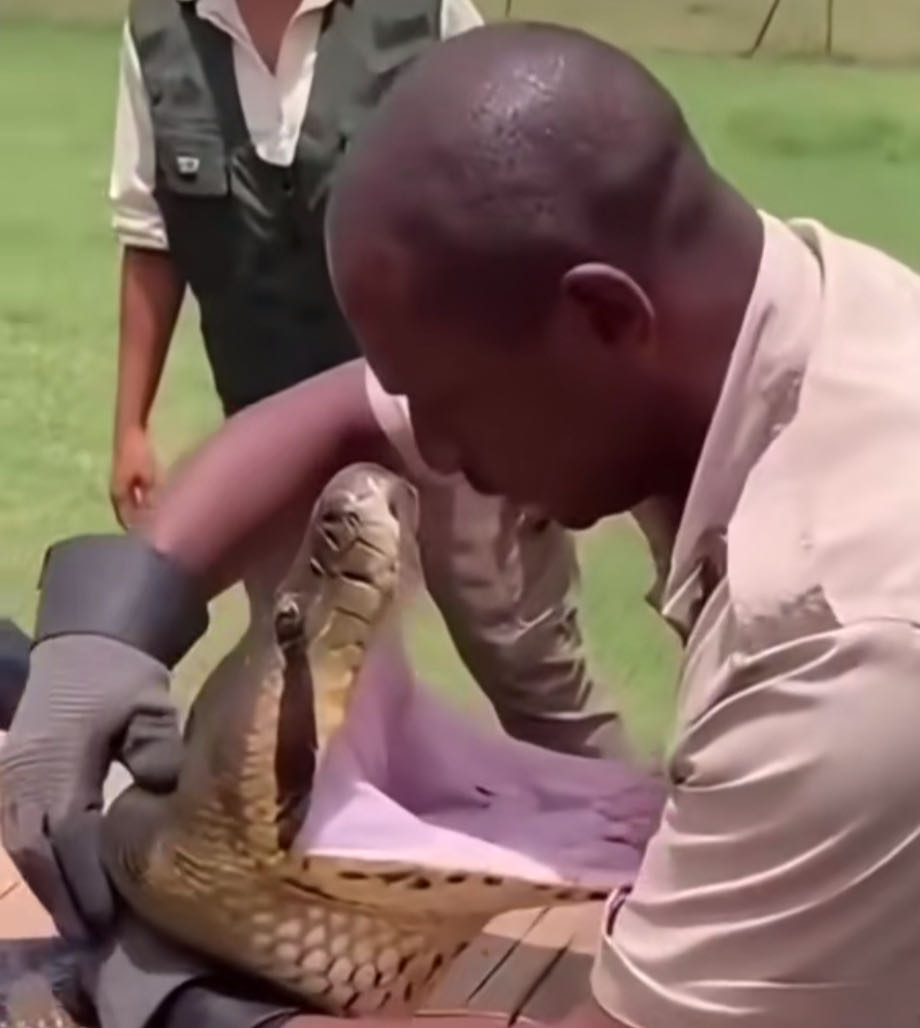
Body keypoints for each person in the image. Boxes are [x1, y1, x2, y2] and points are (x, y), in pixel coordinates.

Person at [5, 17, 920, 1028]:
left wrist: (188, 1008)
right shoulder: (771, 306)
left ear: (605, 320)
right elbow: (344, 412)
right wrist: (110, 622)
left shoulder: (843, 641)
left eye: (447, 404)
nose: (426, 451)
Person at [103, 0, 624, 762]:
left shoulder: (426, 16)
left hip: (455, 415)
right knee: (305, 683)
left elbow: (525, 207)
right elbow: (151, 240)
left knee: (528, 666)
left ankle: (635, 827)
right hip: (273, 425)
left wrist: (541, 402)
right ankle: (338, 836)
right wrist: (131, 426)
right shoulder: (160, 37)